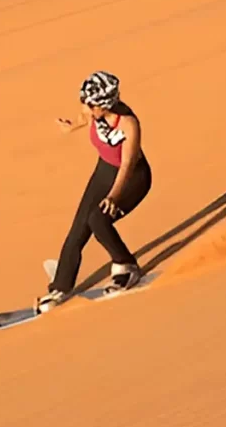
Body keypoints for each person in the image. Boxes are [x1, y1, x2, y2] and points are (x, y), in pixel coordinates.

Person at [35, 70, 152, 312]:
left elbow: (128, 164)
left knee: (98, 220)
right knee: (79, 227)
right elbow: (84, 116)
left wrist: (114, 195)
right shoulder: (91, 110)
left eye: (91, 104)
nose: (86, 107)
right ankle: (60, 287)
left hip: (132, 178)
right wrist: (72, 127)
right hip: (104, 171)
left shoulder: (129, 124)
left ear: (105, 105)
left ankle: (127, 267)